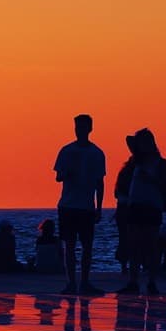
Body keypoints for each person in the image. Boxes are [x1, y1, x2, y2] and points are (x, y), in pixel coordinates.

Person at [114, 129, 166, 294]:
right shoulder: (136, 163)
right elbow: (129, 140)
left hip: (152, 208)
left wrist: (151, 180)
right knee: (133, 245)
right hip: (135, 207)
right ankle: (133, 281)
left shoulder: (161, 165)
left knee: (151, 246)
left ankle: (151, 282)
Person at [53, 114, 106, 294]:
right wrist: (67, 173)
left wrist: (99, 207)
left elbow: (100, 182)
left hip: (86, 206)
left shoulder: (97, 153)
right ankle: (71, 282)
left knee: (87, 246)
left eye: (83, 127)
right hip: (68, 205)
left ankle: (84, 282)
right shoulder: (66, 151)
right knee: (69, 245)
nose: (79, 131)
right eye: (77, 127)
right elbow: (58, 177)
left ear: (90, 129)